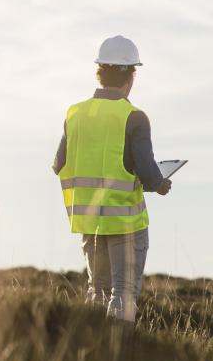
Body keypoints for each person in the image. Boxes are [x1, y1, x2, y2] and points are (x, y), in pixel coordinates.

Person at [53, 35, 171, 323]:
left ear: (100, 73)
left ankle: (93, 350)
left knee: (98, 290)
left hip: (89, 222)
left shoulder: (75, 114)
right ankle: (118, 354)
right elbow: (148, 173)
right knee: (123, 293)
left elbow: (59, 165)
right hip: (125, 222)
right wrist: (161, 182)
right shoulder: (134, 117)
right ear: (131, 75)